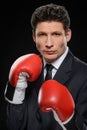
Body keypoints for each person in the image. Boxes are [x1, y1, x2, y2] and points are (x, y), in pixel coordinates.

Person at [4, 3, 87, 130]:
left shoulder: (84, 74)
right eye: (42, 34)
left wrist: (70, 119)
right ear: (34, 36)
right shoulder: (24, 71)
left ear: (67, 35)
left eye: (56, 34)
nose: (49, 44)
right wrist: (16, 91)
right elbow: (12, 126)